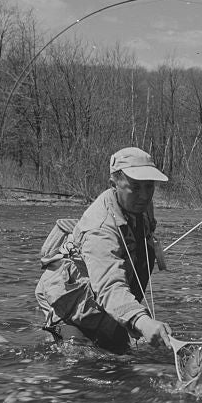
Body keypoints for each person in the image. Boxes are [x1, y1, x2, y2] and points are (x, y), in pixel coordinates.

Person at [35, 146, 173, 354]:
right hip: (69, 308)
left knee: (121, 353)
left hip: (99, 300)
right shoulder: (100, 228)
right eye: (135, 187)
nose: (144, 195)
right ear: (113, 184)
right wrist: (142, 321)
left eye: (149, 186)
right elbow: (110, 285)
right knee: (92, 368)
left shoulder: (139, 206)